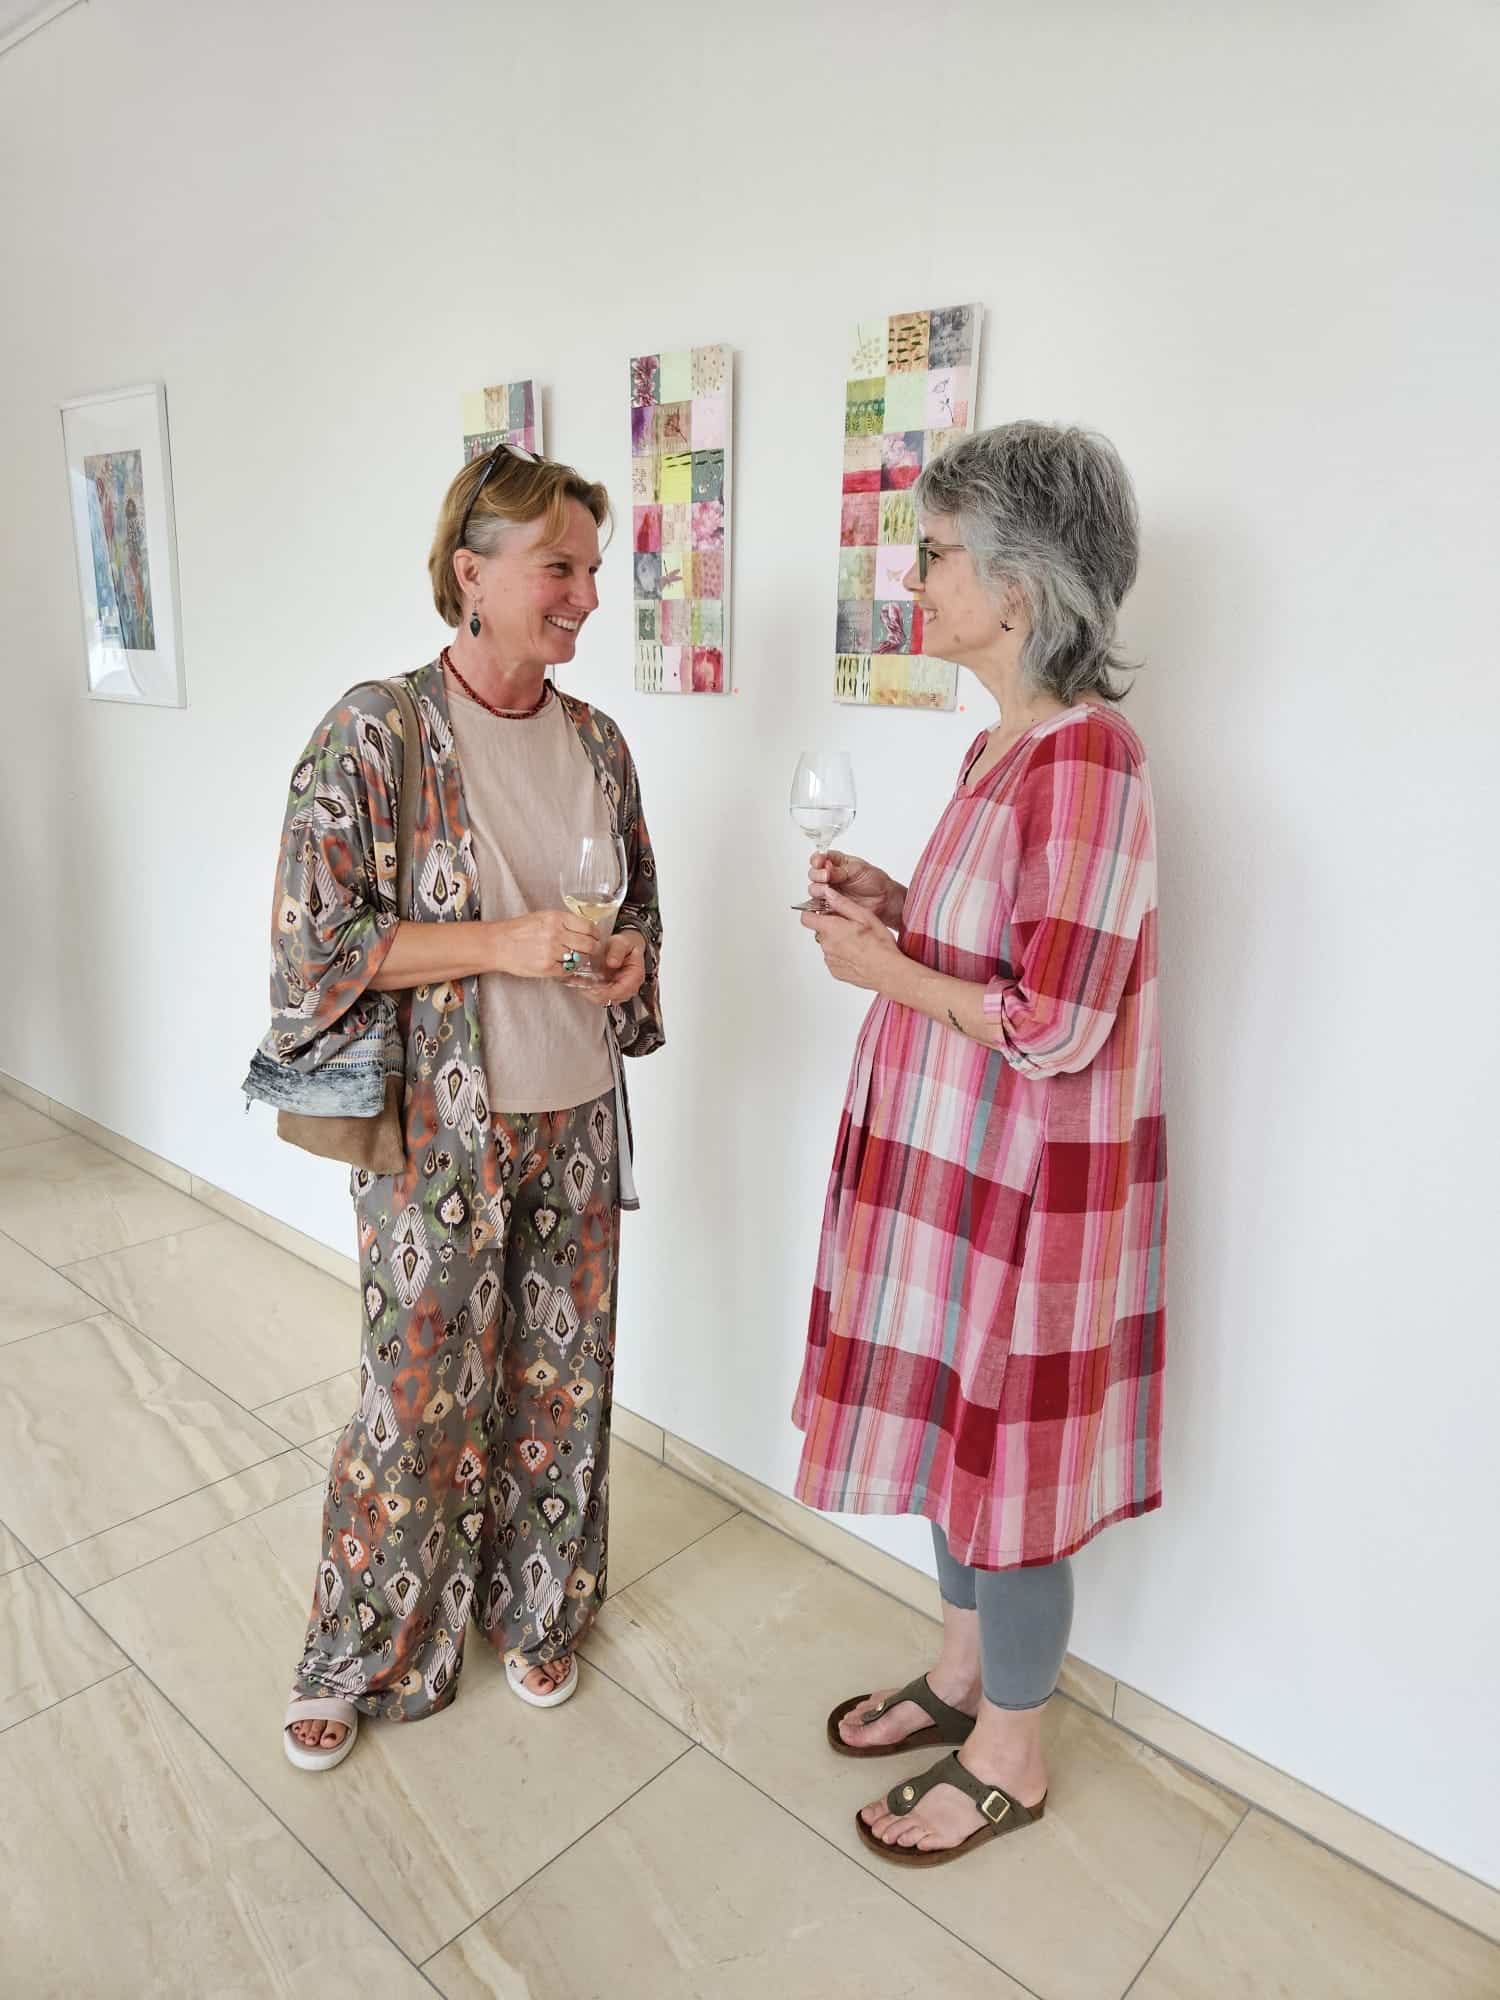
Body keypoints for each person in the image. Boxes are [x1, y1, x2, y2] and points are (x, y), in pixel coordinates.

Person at [245, 444, 664, 1770]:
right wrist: (504, 944)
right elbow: (315, 945)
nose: (585, 595)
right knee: (416, 1398)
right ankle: (361, 1648)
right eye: (560, 568)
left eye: (593, 569)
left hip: (576, 1113)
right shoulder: (377, 733)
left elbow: (636, 920)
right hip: (438, 1133)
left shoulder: (599, 744)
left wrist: (626, 960)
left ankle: (538, 1608)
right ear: (472, 575)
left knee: (563, 1384)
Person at [796, 421, 1165, 1865]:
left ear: (1020, 585)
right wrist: (902, 910)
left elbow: (1060, 1020)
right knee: (960, 1444)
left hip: (1028, 1194)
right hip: (960, 1173)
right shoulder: (1001, 745)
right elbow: (1006, 951)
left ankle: (1012, 1752)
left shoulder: (1089, 759)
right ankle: (961, 1676)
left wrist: (886, 972)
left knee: (1010, 1476)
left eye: (939, 554)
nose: (917, 578)